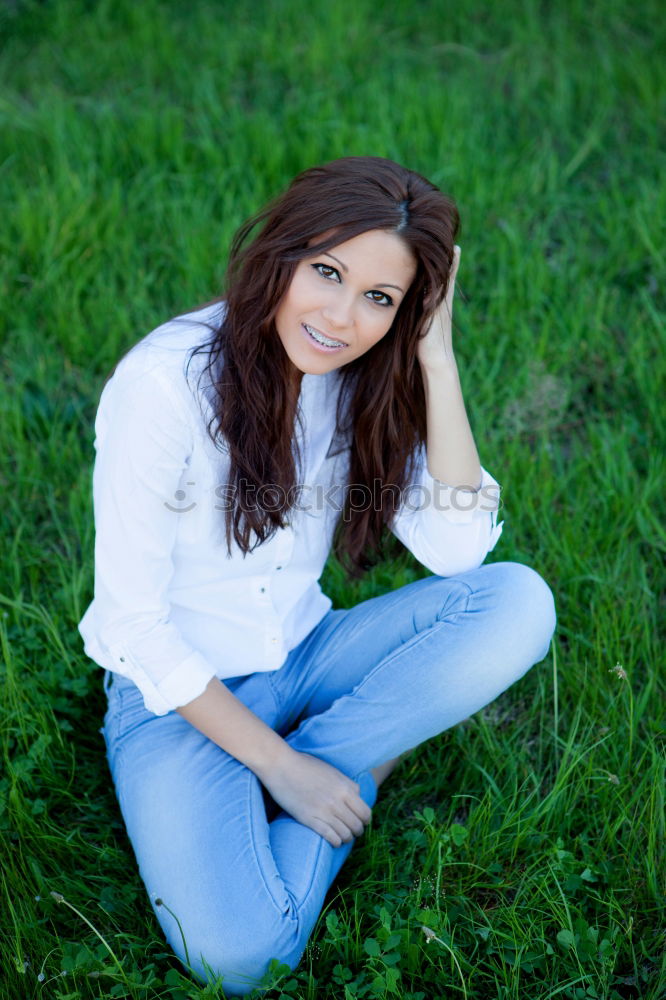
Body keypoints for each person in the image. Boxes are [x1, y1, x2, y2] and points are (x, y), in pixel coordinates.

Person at [78, 155, 556, 995]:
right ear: (284, 254)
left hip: (305, 648)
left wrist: (434, 361)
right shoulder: (166, 385)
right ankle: (348, 767)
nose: (341, 317)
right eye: (326, 273)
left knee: (518, 601)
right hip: (178, 698)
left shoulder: (364, 373)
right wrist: (281, 767)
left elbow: (458, 552)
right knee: (242, 961)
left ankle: (327, 758)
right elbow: (130, 628)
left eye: (380, 298)